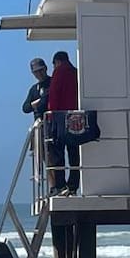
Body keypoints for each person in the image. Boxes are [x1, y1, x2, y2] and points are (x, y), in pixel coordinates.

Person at [46, 50, 80, 195]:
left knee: (57, 152)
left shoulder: (59, 72)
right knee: (74, 154)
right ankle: (73, 185)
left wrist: (50, 116)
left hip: (60, 118)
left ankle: (60, 185)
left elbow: (54, 95)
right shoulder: (76, 72)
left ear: (56, 62)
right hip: (77, 118)